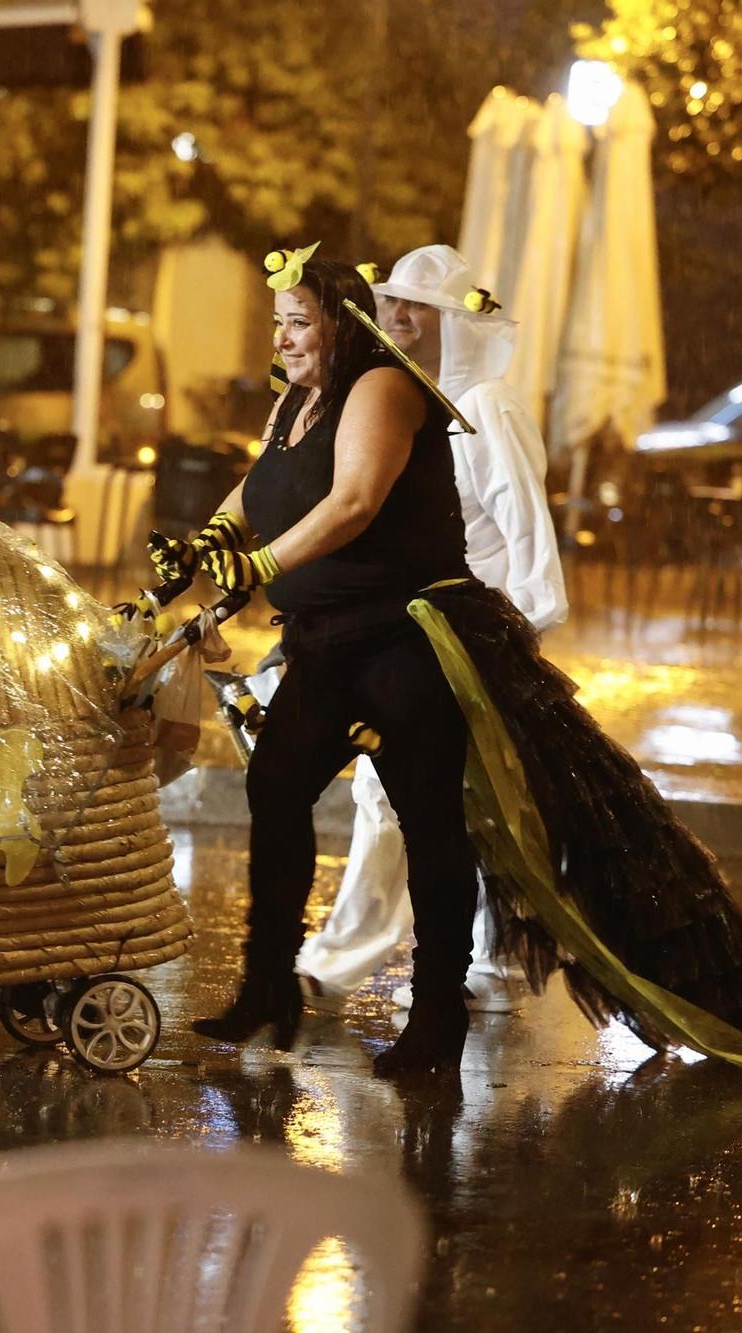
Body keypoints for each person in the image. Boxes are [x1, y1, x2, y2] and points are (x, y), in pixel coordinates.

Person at [158, 249, 742, 1096]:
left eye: (297, 320)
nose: (284, 336)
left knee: (430, 823)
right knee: (278, 786)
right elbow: (258, 490)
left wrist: (259, 565)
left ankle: (434, 1011)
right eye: (279, 322)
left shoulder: (385, 387)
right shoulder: (297, 400)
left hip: (410, 640)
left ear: (341, 319)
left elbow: (355, 503)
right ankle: (271, 986)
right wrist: (201, 547)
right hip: (327, 639)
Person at [292, 245, 565, 1017]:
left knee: (392, 790)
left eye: (421, 306)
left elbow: (526, 533)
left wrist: (517, 636)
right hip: (422, 630)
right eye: (394, 303)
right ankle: (493, 961)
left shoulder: (485, 406)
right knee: (462, 800)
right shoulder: (408, 399)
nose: (400, 316)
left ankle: (337, 964)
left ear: (456, 322)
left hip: (470, 633)